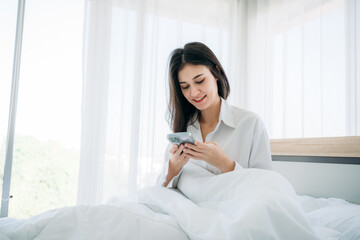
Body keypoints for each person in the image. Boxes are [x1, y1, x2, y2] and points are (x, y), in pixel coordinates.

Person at [156, 42, 272, 188]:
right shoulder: (184, 130)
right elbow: (160, 191)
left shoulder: (250, 124)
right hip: (187, 208)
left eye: (200, 81)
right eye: (185, 87)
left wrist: (224, 164)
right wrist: (174, 166)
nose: (194, 93)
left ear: (216, 73)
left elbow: (266, 187)